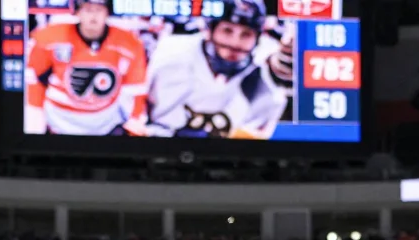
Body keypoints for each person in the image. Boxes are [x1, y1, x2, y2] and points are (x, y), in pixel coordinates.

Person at [144, 0, 289, 140]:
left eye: (246, 34)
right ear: (210, 30)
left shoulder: (264, 66)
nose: (235, 43)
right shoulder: (172, 53)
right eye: (227, 30)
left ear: (258, 38)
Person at [25, 0, 150, 136]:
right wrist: (35, 123)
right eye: (88, 10)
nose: (93, 16)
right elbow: (34, 80)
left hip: (106, 120)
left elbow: (135, 88)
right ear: (78, 12)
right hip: (60, 120)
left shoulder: (129, 42)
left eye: (98, 10)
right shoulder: (48, 37)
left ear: (107, 12)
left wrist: (135, 124)